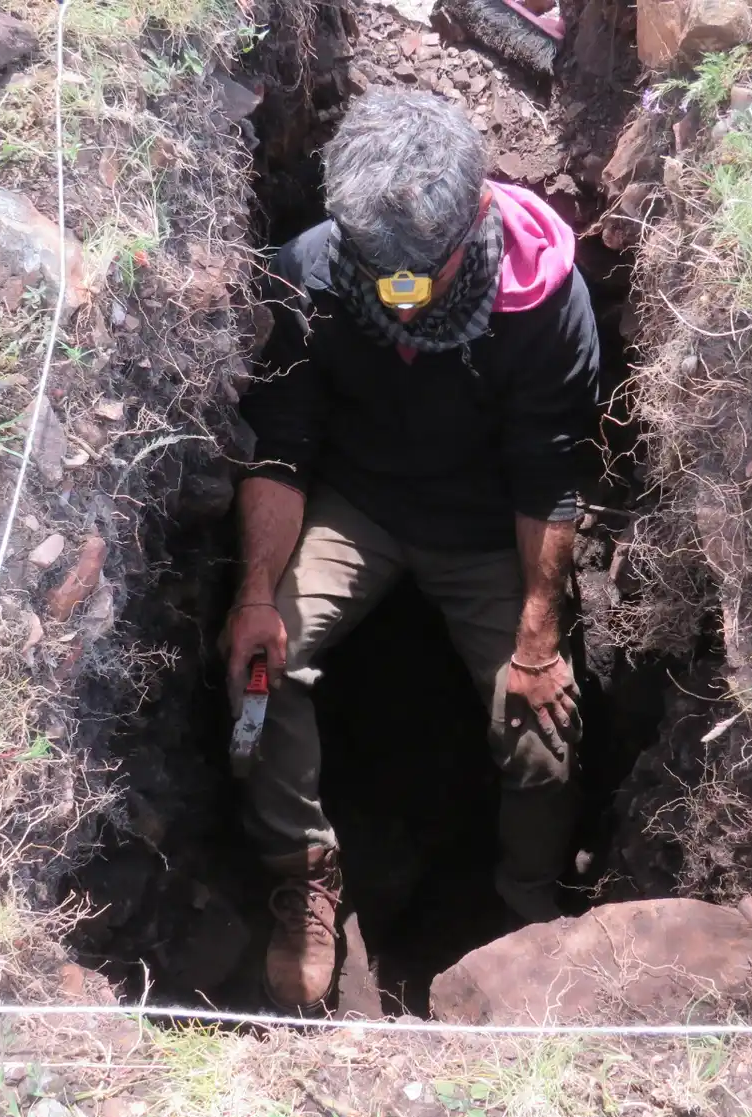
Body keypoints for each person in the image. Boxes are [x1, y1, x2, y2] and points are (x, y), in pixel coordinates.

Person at [226, 88, 602, 1010]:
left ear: (477, 214)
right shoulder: (309, 274)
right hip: (358, 504)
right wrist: (256, 593)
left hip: (488, 525)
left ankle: (527, 912)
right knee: (260, 672)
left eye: (421, 276)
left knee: (540, 732)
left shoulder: (542, 300)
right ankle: (304, 872)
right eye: (379, 273)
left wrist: (537, 638)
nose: (402, 298)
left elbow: (549, 474)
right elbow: (282, 444)